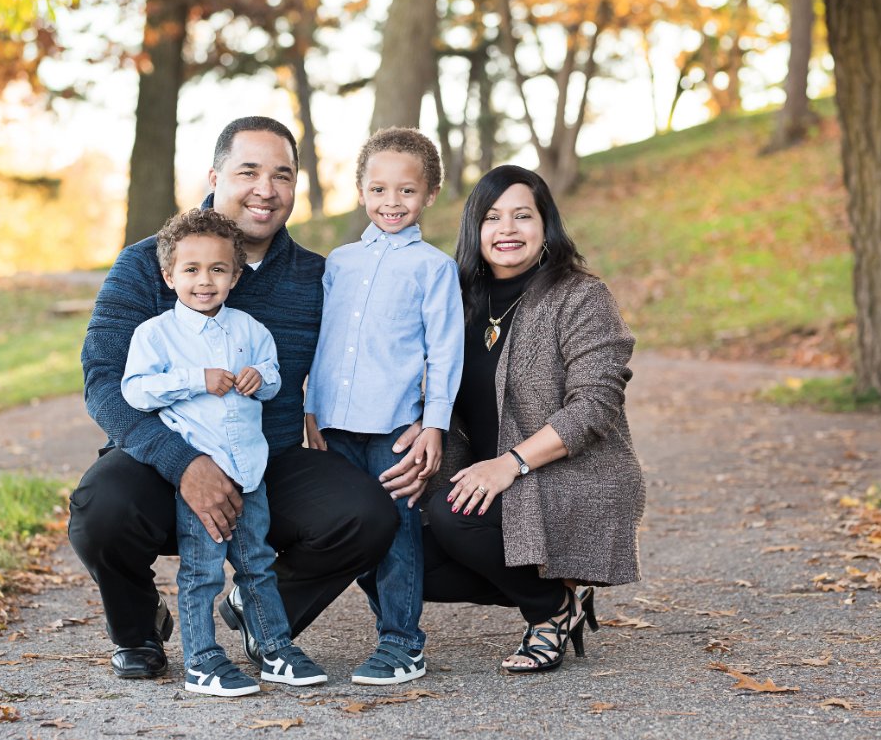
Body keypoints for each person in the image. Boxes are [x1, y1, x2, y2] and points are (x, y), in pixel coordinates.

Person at [69, 116, 429, 681]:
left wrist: (424, 418)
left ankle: (266, 617)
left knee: (367, 515)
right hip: (164, 455)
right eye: (248, 171)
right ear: (215, 176)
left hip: (269, 458)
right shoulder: (149, 264)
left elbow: (375, 351)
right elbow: (104, 381)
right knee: (102, 510)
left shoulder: (317, 275)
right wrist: (183, 463)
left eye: (281, 175)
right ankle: (140, 628)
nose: (266, 189)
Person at [422, 164, 645, 673]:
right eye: (493, 217)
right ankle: (553, 585)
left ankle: (551, 611)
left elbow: (595, 405)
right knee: (398, 547)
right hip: (487, 476)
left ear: (546, 226)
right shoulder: (456, 301)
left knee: (456, 517)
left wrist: (511, 464)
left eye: (523, 216)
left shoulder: (580, 297)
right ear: (474, 229)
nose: (507, 229)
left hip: (568, 474)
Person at [122, 209, 326, 696]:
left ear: (235, 275)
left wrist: (261, 379)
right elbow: (135, 390)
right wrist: (196, 381)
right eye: (191, 270)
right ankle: (203, 660)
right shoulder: (156, 334)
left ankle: (274, 647)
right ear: (169, 275)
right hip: (203, 478)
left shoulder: (250, 329)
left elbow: (276, 378)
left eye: (217, 269)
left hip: (250, 471)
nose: (204, 281)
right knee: (202, 571)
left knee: (257, 562)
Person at [305, 128, 464, 685]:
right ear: (360, 191)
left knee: (395, 531)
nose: (391, 203)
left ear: (429, 195)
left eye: (406, 191)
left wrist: (435, 427)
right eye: (379, 189)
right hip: (333, 427)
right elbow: (319, 342)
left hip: (395, 430)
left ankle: (402, 642)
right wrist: (309, 408)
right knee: (352, 534)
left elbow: (445, 355)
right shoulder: (339, 264)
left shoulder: (434, 268)